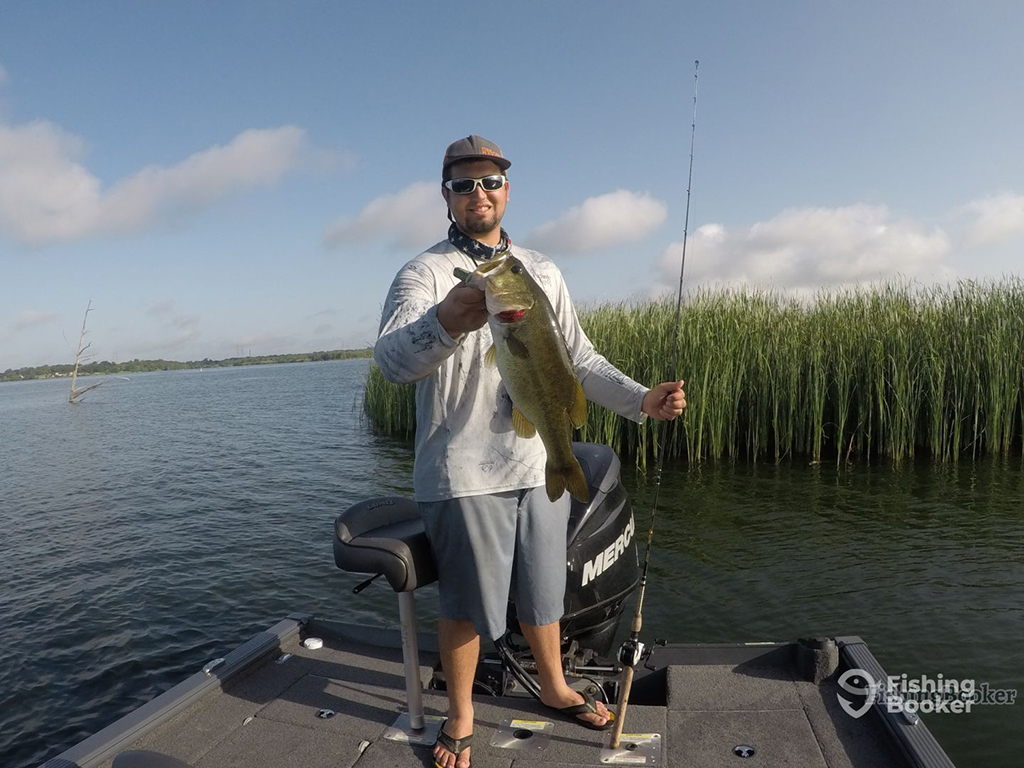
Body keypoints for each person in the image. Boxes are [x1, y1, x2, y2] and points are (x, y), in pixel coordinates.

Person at [374, 135, 686, 768]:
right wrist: (448, 320)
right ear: (446, 197)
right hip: (462, 472)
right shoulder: (425, 274)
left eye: (489, 182)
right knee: (466, 603)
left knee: (545, 591)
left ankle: (554, 683)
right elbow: (391, 362)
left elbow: (578, 360)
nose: (478, 194)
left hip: (536, 461)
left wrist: (639, 400)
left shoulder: (539, 270)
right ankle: (459, 717)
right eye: (464, 186)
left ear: (507, 190)